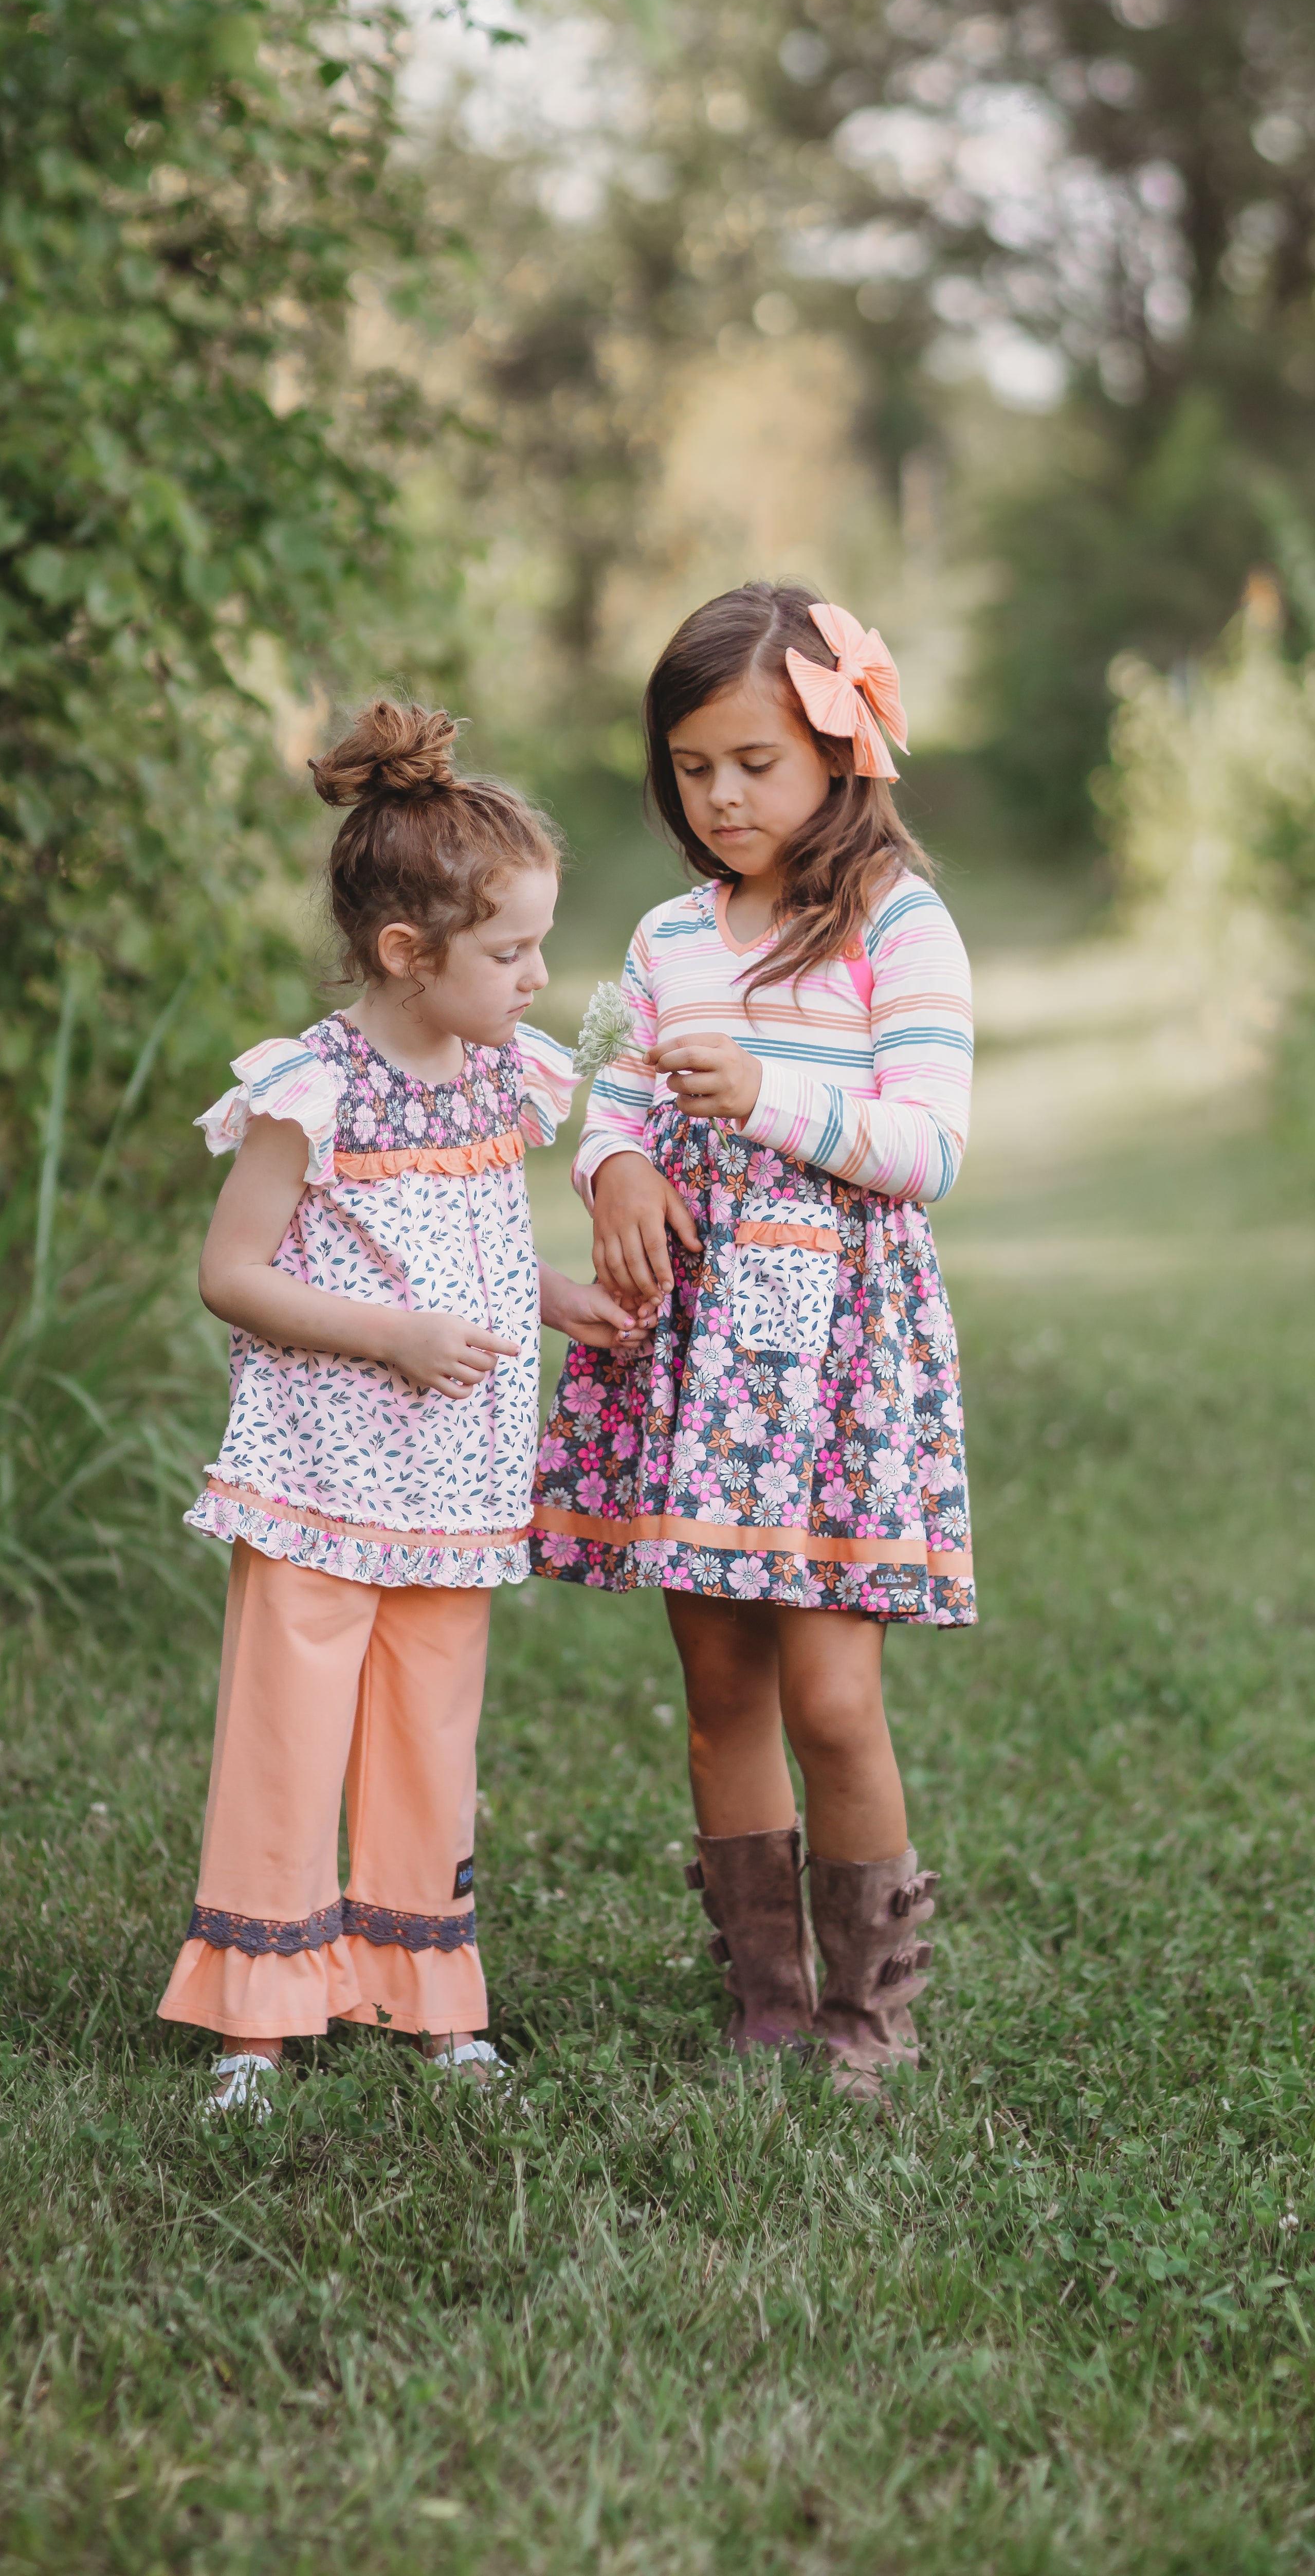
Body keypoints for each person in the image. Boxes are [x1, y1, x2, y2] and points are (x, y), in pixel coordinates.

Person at [160, 698, 638, 2114]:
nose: (540, 978)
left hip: (455, 1480)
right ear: (404, 955)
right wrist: (394, 1341)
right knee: (290, 1734)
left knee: (432, 1731)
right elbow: (231, 1274)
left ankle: (425, 1988)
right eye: (511, 952)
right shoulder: (316, 1088)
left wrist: (554, 1297)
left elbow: (472, 1237)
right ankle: (260, 2013)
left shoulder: (499, 1075)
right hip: (323, 1471)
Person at [531, 585, 975, 2097]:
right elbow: (614, 1095)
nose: (721, 797)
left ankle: (873, 2005)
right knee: (719, 1685)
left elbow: (928, 1147)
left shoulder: (895, 926)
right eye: (693, 767)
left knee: (832, 1694)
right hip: (694, 1346)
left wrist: (764, 1104)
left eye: (756, 764)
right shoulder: (664, 939)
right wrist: (622, 1168)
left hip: (827, 1354)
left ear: (842, 754)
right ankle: (768, 1999)